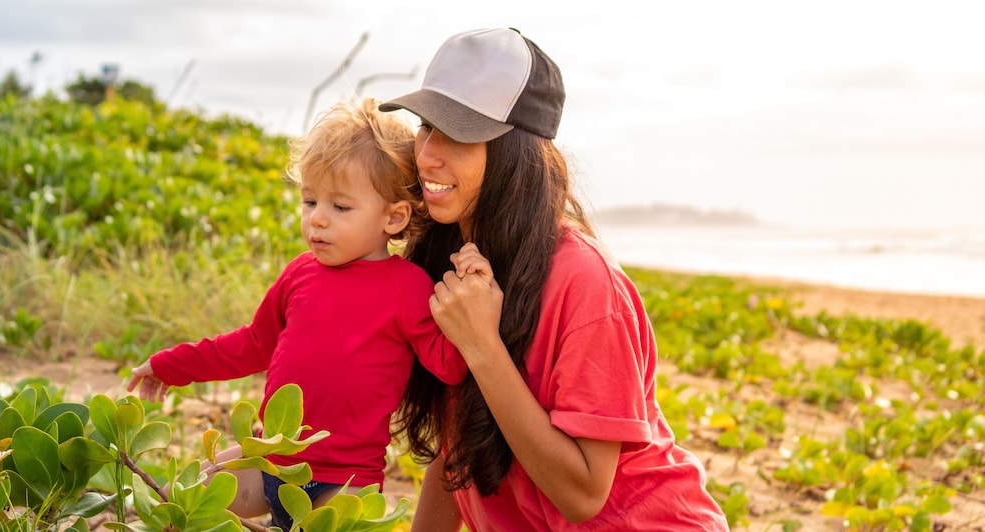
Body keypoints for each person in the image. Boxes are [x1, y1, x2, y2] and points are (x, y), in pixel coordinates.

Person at [381, 28, 730, 530]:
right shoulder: (451, 254)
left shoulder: (583, 282)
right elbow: (457, 447)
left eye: (457, 134)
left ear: (513, 154)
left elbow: (584, 494)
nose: (428, 154)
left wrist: (482, 346)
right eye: (426, 127)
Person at [125, 98, 468, 530]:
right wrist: (170, 365)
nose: (317, 220)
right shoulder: (300, 273)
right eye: (310, 202)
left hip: (344, 483)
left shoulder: (408, 287)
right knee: (179, 502)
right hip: (268, 461)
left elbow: (449, 366)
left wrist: (473, 307)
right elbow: (251, 345)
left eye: (340, 207)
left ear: (394, 218)